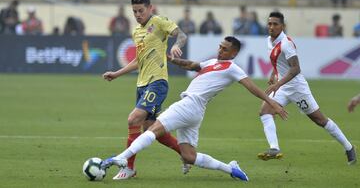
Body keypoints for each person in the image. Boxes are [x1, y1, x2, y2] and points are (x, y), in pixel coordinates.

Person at [101, 36, 288, 181]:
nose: (220, 50)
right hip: (195, 111)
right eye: (220, 47)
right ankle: (231, 169)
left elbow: (251, 87)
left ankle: (122, 158)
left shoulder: (233, 67)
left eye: (225, 49)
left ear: (233, 53)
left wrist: (272, 102)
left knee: (153, 129)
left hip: (190, 104)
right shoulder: (212, 63)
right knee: (189, 157)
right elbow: (191, 65)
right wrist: (170, 59)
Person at [102, 0, 188, 180]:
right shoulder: (137, 32)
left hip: (157, 82)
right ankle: (185, 154)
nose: (138, 14)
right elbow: (137, 61)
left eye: (141, 10)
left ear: (150, 8)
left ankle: (129, 167)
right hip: (142, 84)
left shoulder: (158, 22)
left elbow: (181, 34)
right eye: (134, 11)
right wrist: (116, 74)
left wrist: (176, 45)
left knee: (133, 119)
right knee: (152, 130)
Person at [257, 12, 356, 165]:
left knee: (320, 120)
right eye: (269, 24)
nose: (271, 27)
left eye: (275, 24)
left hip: (297, 88)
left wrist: (277, 83)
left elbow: (295, 68)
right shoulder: (269, 41)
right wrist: (273, 74)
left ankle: (349, 147)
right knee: (265, 111)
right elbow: (278, 61)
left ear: (282, 26)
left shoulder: (286, 43)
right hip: (282, 87)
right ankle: (274, 148)